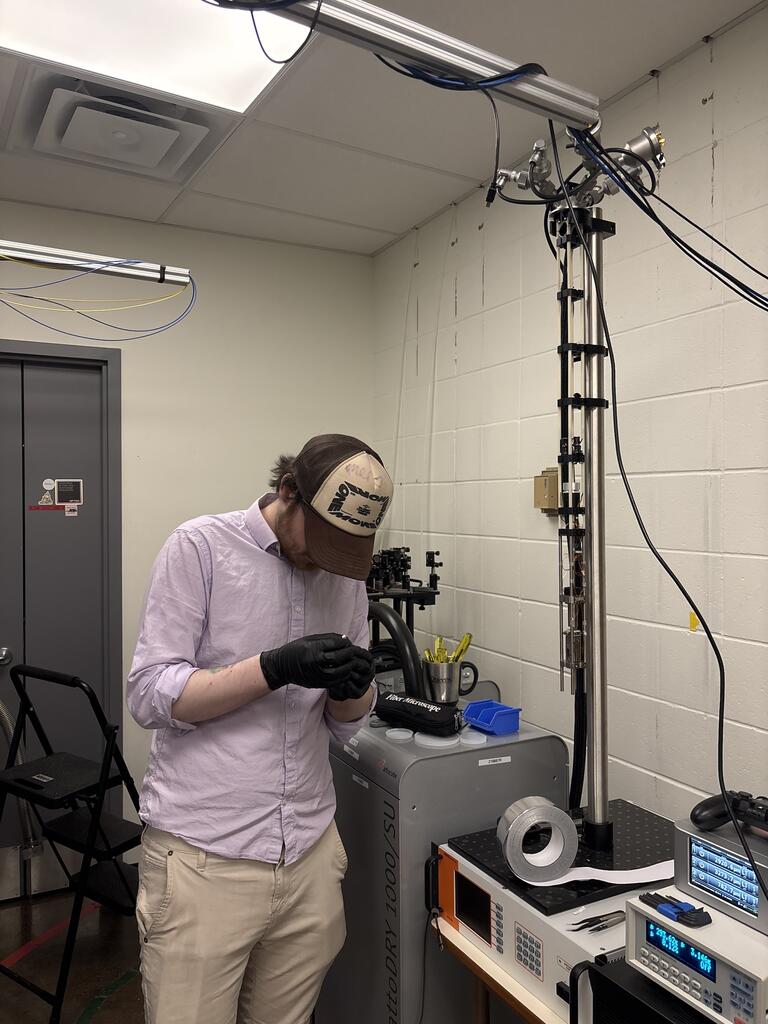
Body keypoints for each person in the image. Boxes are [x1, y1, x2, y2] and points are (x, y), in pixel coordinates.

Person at [126, 433, 393, 1024]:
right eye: (319, 540)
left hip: (309, 855)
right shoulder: (199, 548)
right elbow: (148, 694)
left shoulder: (344, 577)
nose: (326, 560)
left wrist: (354, 692)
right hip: (205, 860)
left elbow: (344, 730)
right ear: (287, 491)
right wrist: (271, 668)